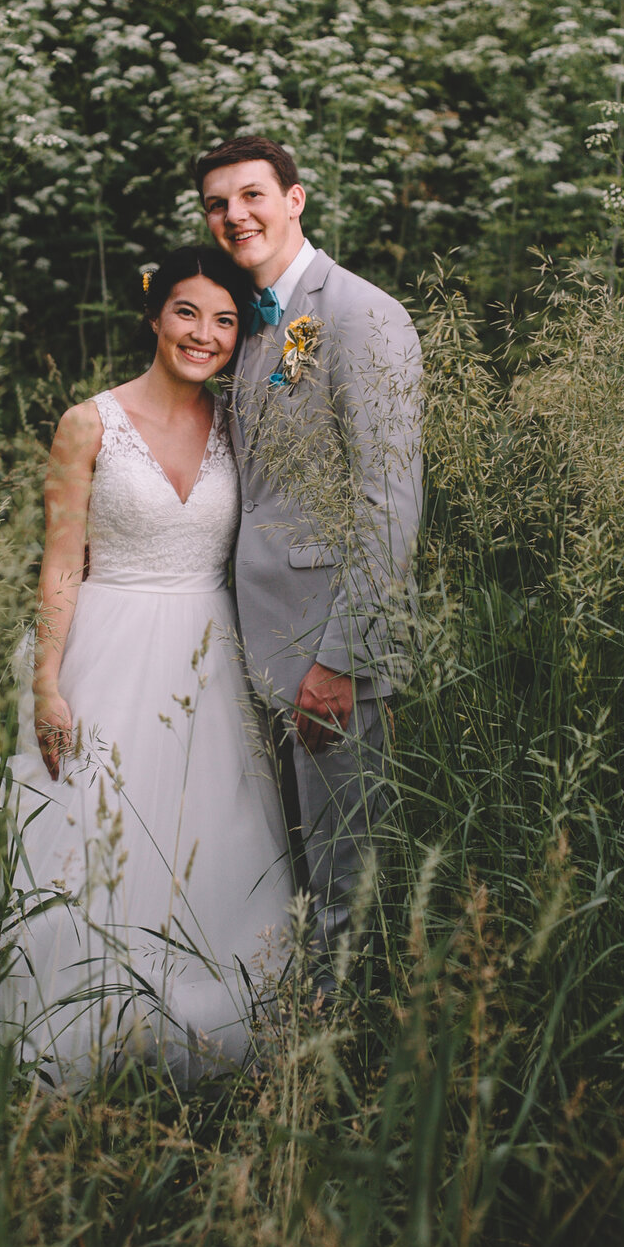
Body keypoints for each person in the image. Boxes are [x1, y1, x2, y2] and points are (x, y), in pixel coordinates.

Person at [0, 246, 291, 1091]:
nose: (204, 334)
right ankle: (80, 1031)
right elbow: (60, 563)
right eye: (188, 313)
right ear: (154, 316)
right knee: (93, 836)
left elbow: (305, 401)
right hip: (109, 644)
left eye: (225, 321)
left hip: (211, 656)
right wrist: (46, 680)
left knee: (210, 837)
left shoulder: (238, 421)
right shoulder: (90, 421)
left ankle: (202, 1040)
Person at [196, 136, 423, 992]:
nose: (235, 216)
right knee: (293, 864)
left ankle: (349, 1064)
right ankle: (297, 1024)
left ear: (295, 199)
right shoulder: (256, 323)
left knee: (345, 873)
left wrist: (343, 659)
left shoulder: (361, 313)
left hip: (330, 649)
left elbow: (389, 502)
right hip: (260, 645)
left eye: (251, 195)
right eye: (218, 205)